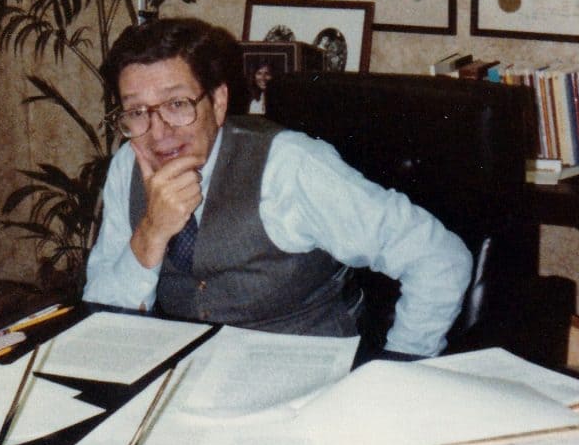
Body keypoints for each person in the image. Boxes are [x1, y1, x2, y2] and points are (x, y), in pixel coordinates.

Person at [83, 18, 472, 358]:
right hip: (192, 380)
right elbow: (102, 315)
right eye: (137, 112)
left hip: (311, 381)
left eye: (177, 104)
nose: (159, 131)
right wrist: (150, 234)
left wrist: (399, 369)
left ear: (218, 103)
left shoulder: (289, 167)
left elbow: (439, 259)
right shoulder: (127, 167)